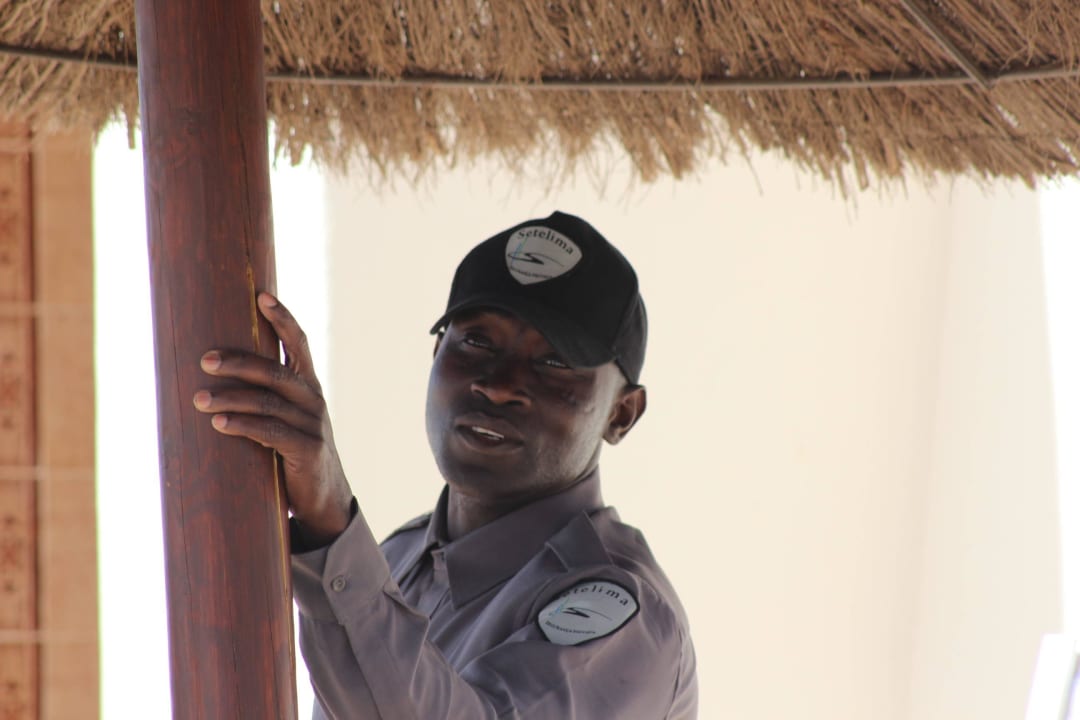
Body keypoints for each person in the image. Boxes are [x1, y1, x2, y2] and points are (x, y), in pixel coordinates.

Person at [194, 211, 698, 718]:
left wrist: (328, 520)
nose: (498, 385)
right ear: (437, 353)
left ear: (621, 414)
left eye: (554, 363)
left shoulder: (625, 618)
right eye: (477, 342)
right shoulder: (397, 558)